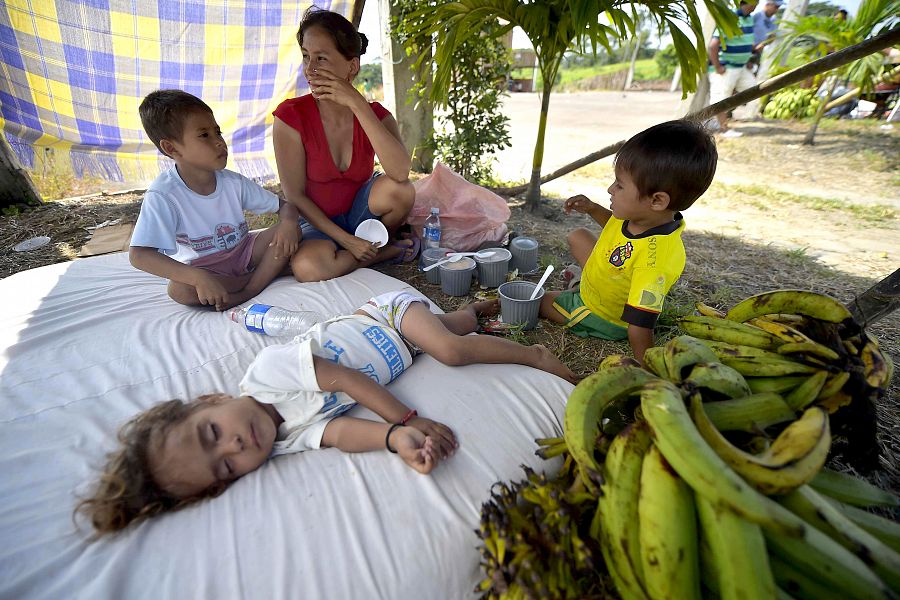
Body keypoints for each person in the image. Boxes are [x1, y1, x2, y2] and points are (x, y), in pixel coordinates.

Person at [78, 291, 577, 533]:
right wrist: (394, 443)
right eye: (225, 467)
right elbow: (337, 433)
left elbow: (344, 379)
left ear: (210, 402)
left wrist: (404, 420)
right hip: (407, 346)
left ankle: (535, 357)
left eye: (212, 433)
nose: (234, 447)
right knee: (452, 328)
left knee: (450, 349)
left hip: (384, 315)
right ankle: (481, 309)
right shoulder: (281, 441)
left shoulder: (267, 375)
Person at [538, 120, 718, 364]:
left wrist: (646, 369)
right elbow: (614, 226)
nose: (611, 189)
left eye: (620, 185)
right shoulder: (643, 218)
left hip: (604, 314)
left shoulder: (654, 262)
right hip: (612, 275)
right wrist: (592, 209)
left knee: (537, 300)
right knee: (578, 235)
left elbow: (640, 326)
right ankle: (582, 280)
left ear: (657, 200)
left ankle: (582, 298)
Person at [273, 7, 418, 283]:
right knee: (308, 267)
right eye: (306, 57)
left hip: (361, 216)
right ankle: (379, 252)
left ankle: (365, 247)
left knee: (401, 192)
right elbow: (295, 196)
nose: (310, 70)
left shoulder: (376, 115)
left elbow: (400, 174)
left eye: (322, 58)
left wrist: (356, 103)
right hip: (315, 222)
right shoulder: (290, 117)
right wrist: (347, 241)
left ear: (351, 66)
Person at [131, 90, 301, 311]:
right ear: (171, 148)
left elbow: (286, 208)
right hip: (202, 268)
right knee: (179, 290)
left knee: (292, 230)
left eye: (217, 132)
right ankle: (268, 273)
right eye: (204, 135)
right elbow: (139, 255)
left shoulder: (232, 182)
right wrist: (198, 278)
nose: (220, 142)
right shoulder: (163, 195)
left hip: (244, 253)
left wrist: (288, 224)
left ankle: (251, 288)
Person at [707, 0, 759, 137]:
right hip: (726, 66)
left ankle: (716, 120)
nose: (757, 4)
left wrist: (747, 57)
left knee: (753, 91)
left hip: (741, 67)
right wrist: (718, 66)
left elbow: (744, 41)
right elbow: (713, 45)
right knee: (720, 99)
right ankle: (724, 129)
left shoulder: (749, 19)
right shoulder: (730, 18)